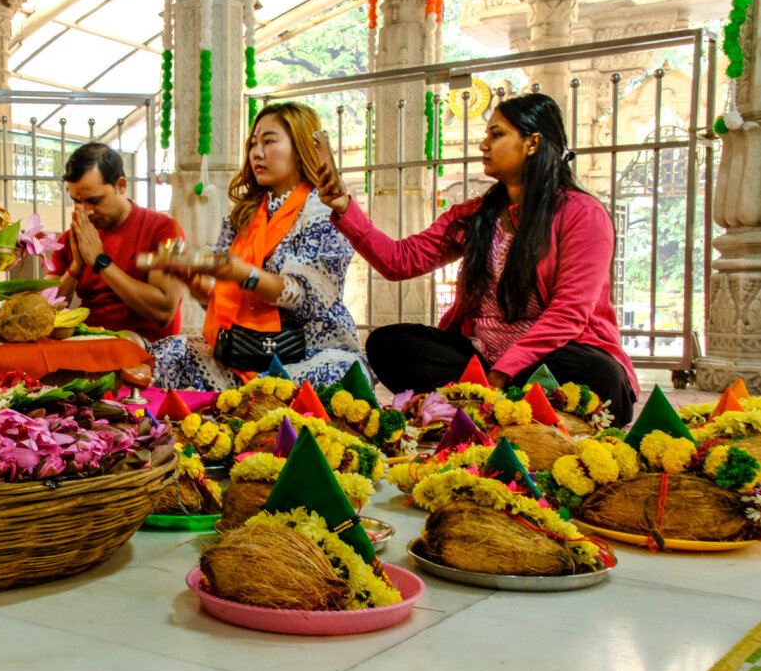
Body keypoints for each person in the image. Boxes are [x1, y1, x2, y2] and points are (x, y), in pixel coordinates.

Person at [320, 92, 639, 427]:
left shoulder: (582, 213)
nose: (484, 145)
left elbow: (568, 313)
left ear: (532, 143)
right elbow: (400, 262)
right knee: (388, 344)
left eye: (497, 135)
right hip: (482, 360)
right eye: (487, 135)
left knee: (598, 375)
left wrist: (503, 373)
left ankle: (480, 403)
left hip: (551, 356)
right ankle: (501, 405)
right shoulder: (475, 215)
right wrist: (343, 206)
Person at [150, 102, 367, 390]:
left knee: (337, 374)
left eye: (269, 141)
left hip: (307, 349)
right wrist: (194, 282)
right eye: (253, 144)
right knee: (164, 356)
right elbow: (222, 297)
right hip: (242, 347)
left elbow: (308, 300)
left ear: (300, 145)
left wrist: (244, 274)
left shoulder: (324, 210)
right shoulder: (242, 214)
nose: (257, 153)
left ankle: (249, 397)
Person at [48, 143, 184, 343]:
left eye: (94, 201)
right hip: (87, 341)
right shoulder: (74, 238)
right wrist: (76, 269)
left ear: (120, 186)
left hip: (146, 347)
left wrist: (101, 263)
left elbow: (163, 312)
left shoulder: (164, 230)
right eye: (77, 201)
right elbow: (43, 312)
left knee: (121, 341)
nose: (86, 211)